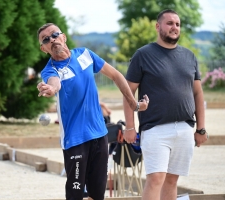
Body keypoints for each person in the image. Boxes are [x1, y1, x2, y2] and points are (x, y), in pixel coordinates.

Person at [36, 23, 149, 200]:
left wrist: (134, 104)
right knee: (75, 194)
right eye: (46, 39)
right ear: (44, 49)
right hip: (75, 140)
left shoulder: (85, 54)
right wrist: (50, 89)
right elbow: (54, 82)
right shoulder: (51, 70)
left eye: (54, 34)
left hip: (99, 135)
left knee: (97, 193)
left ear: (63, 37)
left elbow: (116, 75)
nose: (52, 39)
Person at [123, 9, 208, 200]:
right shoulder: (143, 55)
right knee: (156, 179)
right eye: (169, 23)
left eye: (177, 24)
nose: (174, 27)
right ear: (158, 26)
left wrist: (200, 129)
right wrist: (130, 127)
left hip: (185, 128)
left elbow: (197, 93)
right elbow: (128, 93)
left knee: (171, 180)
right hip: (155, 128)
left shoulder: (189, 56)